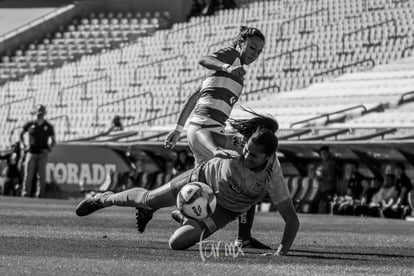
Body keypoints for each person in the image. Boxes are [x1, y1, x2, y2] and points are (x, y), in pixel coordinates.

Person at [76, 113, 300, 255]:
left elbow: (292, 220)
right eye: (246, 151)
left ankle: (184, 216)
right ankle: (103, 198)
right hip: (199, 180)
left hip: (223, 211)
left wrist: (281, 252)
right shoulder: (238, 142)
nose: (245, 156)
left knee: (177, 243)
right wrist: (214, 150)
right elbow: (202, 132)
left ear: (267, 157)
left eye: (253, 156)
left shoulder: (273, 176)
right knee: (147, 200)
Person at [164, 26, 267, 248]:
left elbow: (194, 96)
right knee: (250, 161)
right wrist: (227, 67)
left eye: (259, 51)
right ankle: (243, 238)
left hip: (200, 131)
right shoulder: (232, 57)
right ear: (240, 44)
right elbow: (204, 59)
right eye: (252, 47)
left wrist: (178, 128)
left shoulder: (235, 76)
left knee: (201, 183)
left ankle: (183, 214)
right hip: (208, 131)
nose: (254, 54)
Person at [20, 104, 56, 198]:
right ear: (35, 112)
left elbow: (53, 141)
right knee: (28, 176)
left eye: (42, 111)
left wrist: (48, 150)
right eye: (39, 111)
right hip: (31, 152)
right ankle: (25, 194)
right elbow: (21, 135)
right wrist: (24, 146)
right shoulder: (29, 124)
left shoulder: (48, 126)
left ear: (44, 113)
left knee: (41, 176)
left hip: (42, 154)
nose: (40, 113)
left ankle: (40, 195)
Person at [315, 145, 338, 214]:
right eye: (321, 154)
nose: (323, 155)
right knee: (320, 204)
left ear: (328, 154)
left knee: (327, 205)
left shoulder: (331, 164)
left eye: (325, 154)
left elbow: (332, 178)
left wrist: (322, 177)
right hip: (321, 188)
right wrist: (317, 176)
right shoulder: (320, 164)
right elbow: (316, 175)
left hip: (329, 188)